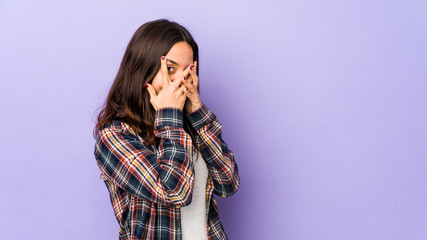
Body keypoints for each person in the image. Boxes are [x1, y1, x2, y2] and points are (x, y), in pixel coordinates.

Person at [93, 19, 240, 240]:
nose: (181, 80)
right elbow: (174, 192)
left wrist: (197, 112)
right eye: (170, 68)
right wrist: (170, 117)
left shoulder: (188, 125)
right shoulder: (115, 136)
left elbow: (228, 183)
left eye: (188, 70)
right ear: (144, 70)